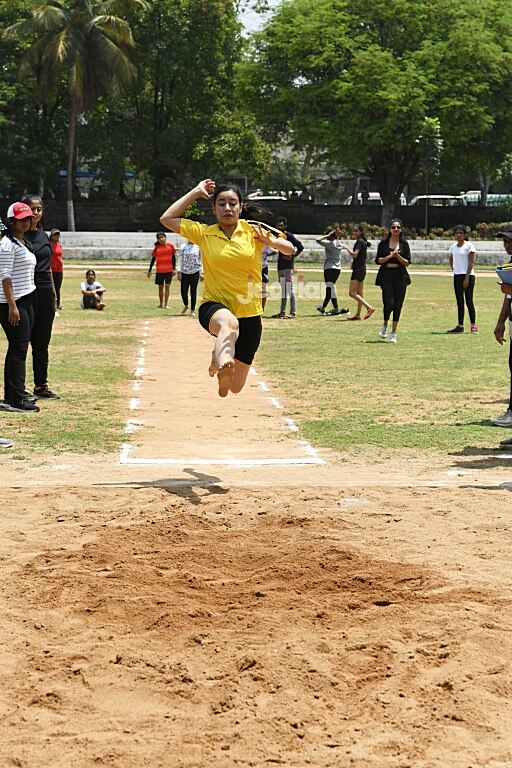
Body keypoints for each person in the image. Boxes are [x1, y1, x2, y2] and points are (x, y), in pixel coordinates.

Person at [159, 178, 294, 397]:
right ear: (213, 208)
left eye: (232, 203)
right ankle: (223, 362)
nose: (227, 208)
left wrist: (270, 242)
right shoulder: (204, 233)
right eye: (221, 203)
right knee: (229, 324)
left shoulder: (254, 230)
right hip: (214, 306)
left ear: (241, 207)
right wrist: (196, 191)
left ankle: (218, 361)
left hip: (250, 314)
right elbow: (167, 218)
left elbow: (290, 249)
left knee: (235, 388)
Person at [0, 202, 39, 412]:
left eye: (27, 218)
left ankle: (14, 393)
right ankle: (16, 398)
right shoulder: (7, 245)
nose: (25, 221)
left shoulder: (21, 242)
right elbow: (5, 276)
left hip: (25, 299)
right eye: (21, 219)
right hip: (12, 302)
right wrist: (12, 307)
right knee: (18, 349)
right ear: (11, 221)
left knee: (18, 348)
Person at [22, 194, 59, 400]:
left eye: (39, 209)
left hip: (45, 292)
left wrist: (54, 294)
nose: (35, 212)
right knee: (22, 342)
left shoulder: (44, 236)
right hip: (27, 292)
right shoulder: (17, 236)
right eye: (32, 208)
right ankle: (18, 388)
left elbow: (49, 268)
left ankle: (41, 385)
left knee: (42, 342)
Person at [375, 218, 411, 343]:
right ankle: (385, 324)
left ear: (401, 230)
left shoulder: (404, 244)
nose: (396, 229)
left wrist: (398, 256)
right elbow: (378, 260)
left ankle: (394, 332)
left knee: (398, 304)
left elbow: (407, 262)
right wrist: (390, 256)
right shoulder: (384, 243)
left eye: (398, 227)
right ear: (390, 229)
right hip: (386, 275)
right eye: (393, 227)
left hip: (400, 275)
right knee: (388, 302)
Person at [492, 226, 512, 430]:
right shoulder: (509, 265)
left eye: (510, 241)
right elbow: (509, 296)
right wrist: (500, 323)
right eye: (505, 241)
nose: (507, 245)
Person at [446, 225, 477, 334]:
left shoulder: (469, 246)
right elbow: (451, 257)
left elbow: (470, 262)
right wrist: (453, 269)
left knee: (469, 301)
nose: (459, 235)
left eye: (461, 233)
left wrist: (467, 277)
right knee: (460, 301)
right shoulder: (453, 246)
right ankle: (460, 325)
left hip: (468, 275)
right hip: (457, 275)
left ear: (464, 234)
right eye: (457, 233)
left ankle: (473, 325)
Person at [341, 223, 375, 321]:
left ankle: (369, 307)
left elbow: (355, 255)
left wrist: (346, 248)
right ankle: (358, 314)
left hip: (358, 270)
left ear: (361, 232)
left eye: (356, 231)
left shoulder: (359, 242)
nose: (354, 232)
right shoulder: (363, 242)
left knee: (352, 293)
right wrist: (354, 263)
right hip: (362, 269)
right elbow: (364, 256)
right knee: (359, 293)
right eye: (353, 230)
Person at [272, 216, 303, 319]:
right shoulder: (278, 237)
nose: (279, 227)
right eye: (278, 226)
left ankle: (292, 312)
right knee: (283, 290)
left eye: (281, 225)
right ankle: (282, 312)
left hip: (288, 267)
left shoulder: (288, 235)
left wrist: (292, 256)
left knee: (290, 289)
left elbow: (300, 246)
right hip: (280, 266)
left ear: (285, 226)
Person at [315, 226, 348, 316]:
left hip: (329, 268)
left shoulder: (329, 243)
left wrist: (326, 236)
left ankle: (335, 309)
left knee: (330, 289)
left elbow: (317, 240)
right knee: (331, 289)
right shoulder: (339, 243)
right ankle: (324, 307)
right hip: (337, 269)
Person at [147, 232, 176, 309]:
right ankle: (161, 304)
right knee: (160, 287)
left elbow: (173, 258)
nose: (161, 239)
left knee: (167, 286)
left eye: (162, 237)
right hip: (160, 270)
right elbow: (153, 260)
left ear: (165, 238)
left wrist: (174, 269)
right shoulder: (157, 248)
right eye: (159, 238)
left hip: (168, 269)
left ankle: (166, 304)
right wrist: (149, 270)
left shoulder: (170, 246)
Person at [176, 238, 203, 317]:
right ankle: (186, 305)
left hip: (195, 271)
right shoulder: (183, 247)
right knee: (183, 290)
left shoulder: (198, 247)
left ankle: (192, 309)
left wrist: (201, 272)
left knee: (193, 291)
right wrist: (179, 271)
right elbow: (180, 260)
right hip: (184, 272)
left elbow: (201, 260)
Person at [49, 228, 63, 313]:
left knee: (58, 288)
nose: (57, 236)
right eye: (55, 235)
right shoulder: (49, 245)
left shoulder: (59, 245)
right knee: (52, 288)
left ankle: (58, 304)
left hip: (59, 269)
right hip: (52, 269)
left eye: (58, 234)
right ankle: (52, 303)